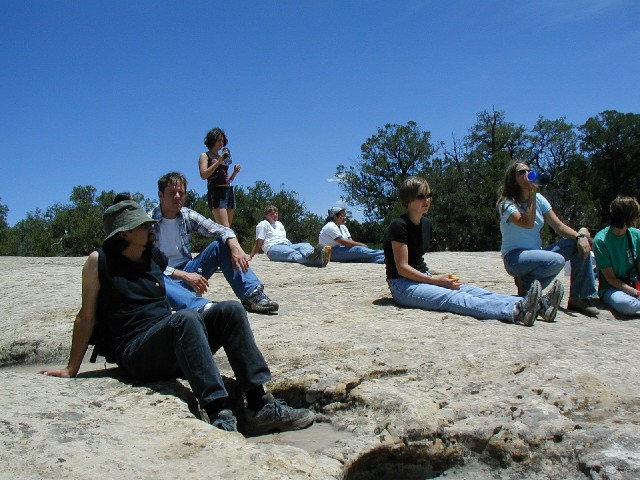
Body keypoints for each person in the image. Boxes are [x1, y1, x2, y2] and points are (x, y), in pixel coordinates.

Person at [39, 200, 315, 435]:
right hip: (136, 352)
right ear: (124, 234)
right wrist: (71, 369)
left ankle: (259, 404)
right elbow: (86, 317)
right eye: (143, 226)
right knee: (186, 318)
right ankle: (219, 412)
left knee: (230, 310)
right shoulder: (98, 261)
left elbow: (176, 277)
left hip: (170, 344)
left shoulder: (153, 256)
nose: (151, 228)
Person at [384, 176, 562, 327]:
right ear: (408, 199)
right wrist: (435, 281)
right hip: (403, 285)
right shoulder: (399, 226)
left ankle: (540, 306)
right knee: (453, 298)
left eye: (429, 195)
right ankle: (516, 311)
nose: (427, 200)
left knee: (473, 291)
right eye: (421, 196)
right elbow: (402, 268)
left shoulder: (426, 224)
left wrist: (435, 280)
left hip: (423, 278)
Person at [150, 172, 278, 314]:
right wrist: (183, 275)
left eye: (181, 193)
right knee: (151, 276)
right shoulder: (147, 223)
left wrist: (235, 246)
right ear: (160, 195)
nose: (177, 197)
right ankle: (199, 306)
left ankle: (252, 295)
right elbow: (146, 264)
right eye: (172, 193)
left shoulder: (187, 215)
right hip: (163, 278)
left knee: (222, 244)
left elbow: (221, 230)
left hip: (188, 271)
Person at [496, 160, 597, 318]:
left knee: (576, 245)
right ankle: (529, 289)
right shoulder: (506, 203)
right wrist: (532, 192)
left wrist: (580, 237)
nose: (527, 174)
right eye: (522, 172)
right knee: (557, 261)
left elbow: (559, 226)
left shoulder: (539, 199)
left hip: (538, 254)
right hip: (515, 259)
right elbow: (527, 223)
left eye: (529, 171)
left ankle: (580, 297)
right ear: (512, 179)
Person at [593, 196, 640, 316]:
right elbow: (611, 279)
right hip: (612, 288)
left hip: (634, 283)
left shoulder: (637, 235)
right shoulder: (601, 240)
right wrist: (636, 293)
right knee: (626, 305)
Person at [249, 205, 328, 267]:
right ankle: (318, 261)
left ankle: (311, 254)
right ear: (266, 216)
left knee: (305, 245)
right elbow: (259, 241)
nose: (275, 215)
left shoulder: (279, 224)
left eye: (276, 213)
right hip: (273, 248)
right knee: (294, 254)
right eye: (272, 214)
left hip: (287, 244)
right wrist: (251, 256)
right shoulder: (263, 224)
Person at [199, 128, 240, 227]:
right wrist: (218, 162)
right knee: (225, 228)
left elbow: (227, 179)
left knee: (228, 229)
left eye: (222, 141)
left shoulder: (222, 158)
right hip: (216, 192)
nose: (221, 143)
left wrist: (235, 173)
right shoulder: (205, 156)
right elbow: (203, 175)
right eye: (218, 140)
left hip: (228, 191)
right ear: (212, 140)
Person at [318, 207, 385, 264]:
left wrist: (357, 246)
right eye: (342, 215)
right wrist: (361, 245)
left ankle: (383, 259)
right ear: (335, 216)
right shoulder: (330, 226)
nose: (345, 217)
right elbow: (344, 242)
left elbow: (350, 241)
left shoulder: (343, 227)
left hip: (342, 250)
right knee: (358, 249)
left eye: (345, 215)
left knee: (360, 258)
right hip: (331, 252)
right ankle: (385, 253)